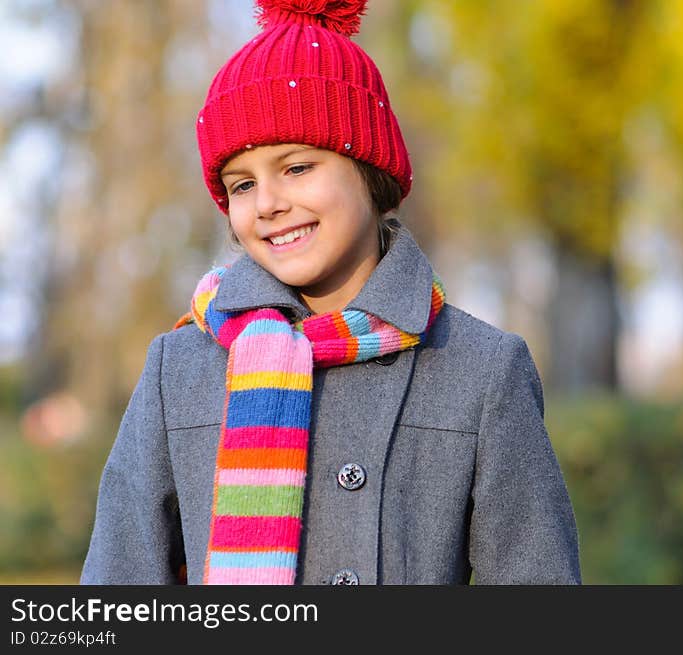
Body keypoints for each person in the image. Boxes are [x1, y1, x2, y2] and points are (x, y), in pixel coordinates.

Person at [80, 0, 581, 585]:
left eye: (297, 168)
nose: (267, 204)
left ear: (368, 168)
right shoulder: (180, 367)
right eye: (242, 184)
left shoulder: (482, 369)